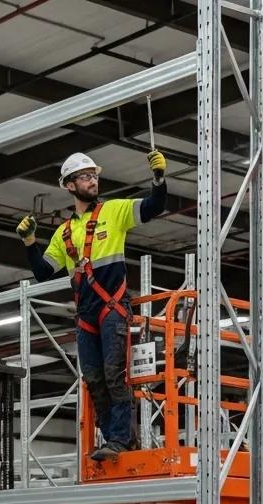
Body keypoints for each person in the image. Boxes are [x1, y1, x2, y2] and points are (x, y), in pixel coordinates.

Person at [16, 149, 167, 460]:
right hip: (86, 314)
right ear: (70, 185)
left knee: (114, 374)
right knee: (94, 378)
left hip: (112, 307)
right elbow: (44, 273)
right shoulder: (64, 233)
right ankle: (114, 438)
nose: (92, 180)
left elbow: (154, 207)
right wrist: (30, 243)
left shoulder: (114, 212)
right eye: (85, 177)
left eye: (94, 176)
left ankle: (120, 440)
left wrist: (158, 178)